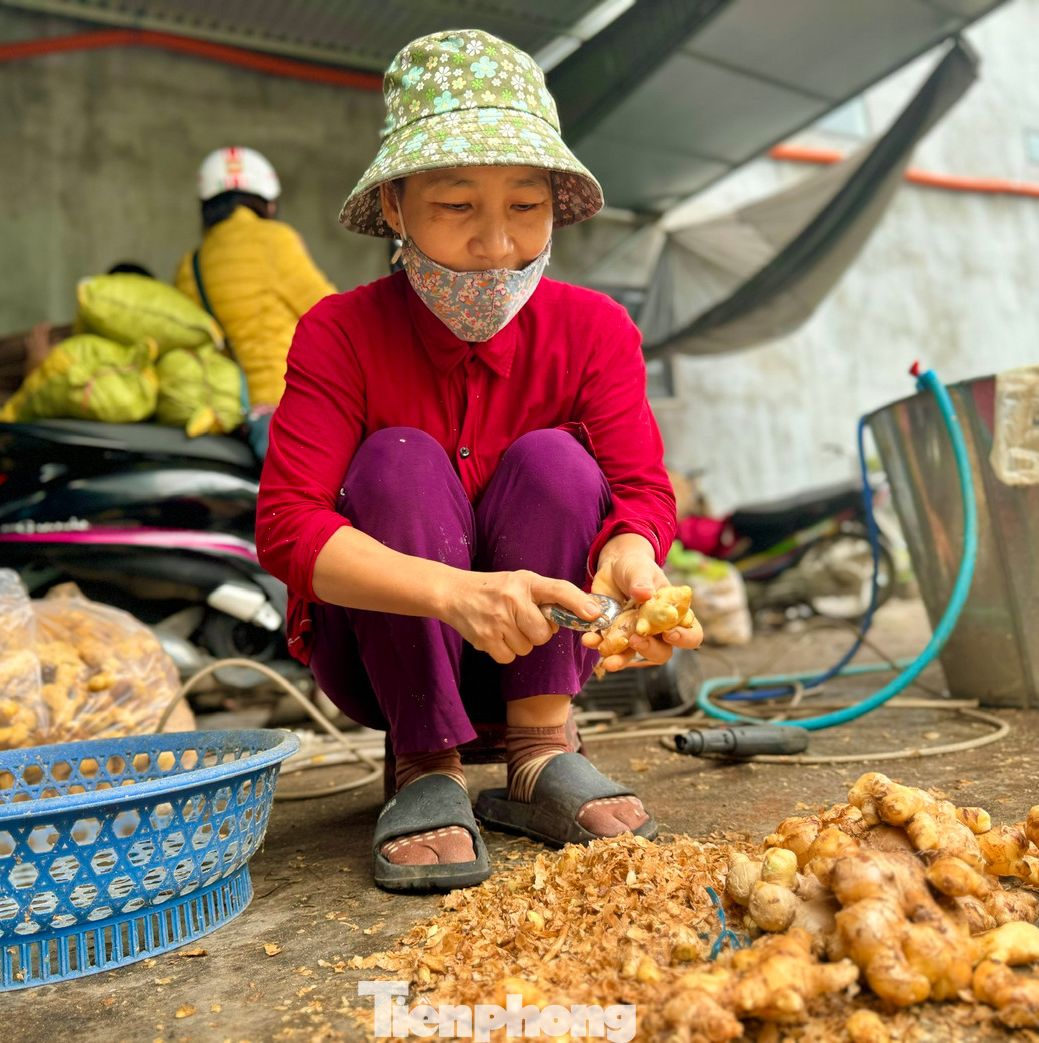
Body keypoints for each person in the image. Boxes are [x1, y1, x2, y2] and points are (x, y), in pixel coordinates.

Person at [255, 29, 703, 894]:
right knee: (398, 462)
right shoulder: (339, 333)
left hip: (546, 650)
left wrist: (633, 559)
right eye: (457, 207)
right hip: (380, 662)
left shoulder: (595, 330)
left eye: (525, 207)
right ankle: (425, 762)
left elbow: (642, 492)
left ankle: (540, 746)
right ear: (394, 207)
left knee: (555, 462)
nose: (498, 245)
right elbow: (287, 527)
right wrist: (451, 593)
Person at [174, 147, 337, 413]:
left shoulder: (189, 265)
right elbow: (332, 318)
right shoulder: (276, 240)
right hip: (282, 405)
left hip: (222, 411)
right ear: (268, 203)